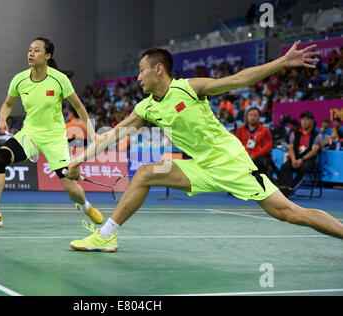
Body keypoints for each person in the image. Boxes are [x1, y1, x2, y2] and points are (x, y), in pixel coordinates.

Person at [66, 42, 343, 252]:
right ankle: (105, 236)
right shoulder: (146, 107)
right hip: (199, 166)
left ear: (158, 69)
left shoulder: (189, 88)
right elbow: (113, 134)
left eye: (141, 71)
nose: (138, 78)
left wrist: (282, 61)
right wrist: (80, 159)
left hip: (230, 163)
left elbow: (238, 79)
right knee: (145, 173)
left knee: (289, 213)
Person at [0, 37, 103, 228]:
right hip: (29, 134)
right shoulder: (20, 79)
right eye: (30, 50)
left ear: (48, 56)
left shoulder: (59, 79)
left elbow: (80, 108)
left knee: (71, 188)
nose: (31, 54)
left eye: (37, 51)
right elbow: (8, 103)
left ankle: (85, 206)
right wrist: (2, 118)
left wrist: (92, 132)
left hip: (55, 138)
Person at [277, 111, 323, 196]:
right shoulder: (294, 133)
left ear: (312, 121)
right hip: (296, 158)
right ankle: (285, 187)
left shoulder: (317, 135)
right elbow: (290, 148)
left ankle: (291, 189)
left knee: (304, 168)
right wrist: (294, 160)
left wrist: (301, 160)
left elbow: (313, 152)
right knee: (285, 166)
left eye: (307, 119)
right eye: (302, 119)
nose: (304, 121)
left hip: (308, 160)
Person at [236, 107, 273, 178]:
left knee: (260, 162)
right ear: (247, 117)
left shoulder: (265, 130)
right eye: (251, 115)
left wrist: (254, 155)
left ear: (259, 117)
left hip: (259, 158)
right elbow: (237, 145)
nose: (253, 117)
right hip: (244, 157)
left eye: (255, 115)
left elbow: (268, 146)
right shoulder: (240, 130)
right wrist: (247, 155)